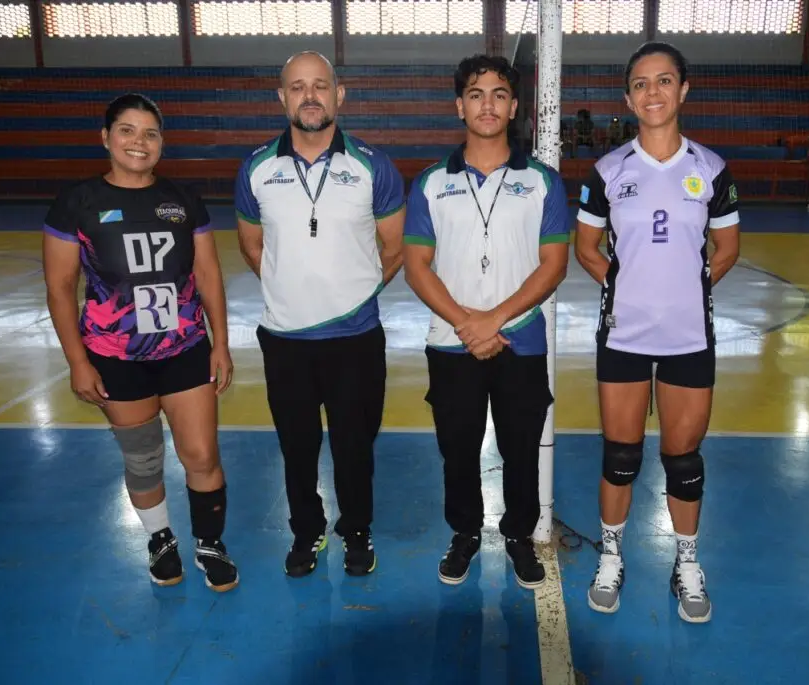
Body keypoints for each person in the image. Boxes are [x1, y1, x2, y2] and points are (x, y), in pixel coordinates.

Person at [42, 93, 238, 592]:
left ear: (161, 144)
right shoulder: (77, 204)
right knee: (144, 458)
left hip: (184, 348)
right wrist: (77, 362)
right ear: (105, 137)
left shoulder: (183, 200)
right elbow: (61, 287)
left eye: (150, 133)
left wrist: (220, 342)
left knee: (201, 454)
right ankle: (160, 540)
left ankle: (210, 543)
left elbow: (209, 272)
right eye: (127, 130)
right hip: (115, 356)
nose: (139, 142)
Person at [574, 42, 741, 622]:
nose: (653, 93)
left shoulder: (712, 169)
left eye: (664, 81)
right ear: (628, 97)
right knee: (620, 455)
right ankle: (612, 555)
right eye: (641, 84)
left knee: (683, 457)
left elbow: (728, 247)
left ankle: (687, 562)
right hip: (623, 334)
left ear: (683, 91)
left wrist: (692, 285)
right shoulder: (607, 170)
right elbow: (586, 247)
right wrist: (619, 286)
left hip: (689, 336)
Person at [235, 51, 406, 578]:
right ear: (281, 97)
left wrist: (346, 297)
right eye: (297, 87)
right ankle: (306, 533)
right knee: (298, 447)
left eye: (320, 86)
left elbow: (394, 248)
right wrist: (297, 294)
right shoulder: (257, 168)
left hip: (355, 338)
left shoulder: (373, 166)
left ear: (339, 94)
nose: (309, 96)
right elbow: (251, 247)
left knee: (355, 446)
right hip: (285, 340)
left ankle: (357, 530)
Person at [403, 54, 570, 589]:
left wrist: (493, 319)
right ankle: (466, 533)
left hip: (520, 341)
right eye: (476, 94)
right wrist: (465, 325)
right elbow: (415, 266)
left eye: (499, 94)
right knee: (457, 446)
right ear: (459, 105)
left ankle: (519, 535)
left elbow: (554, 264)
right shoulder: (431, 182)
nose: (488, 104)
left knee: (520, 446)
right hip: (451, 343)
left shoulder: (542, 181)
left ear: (514, 105)